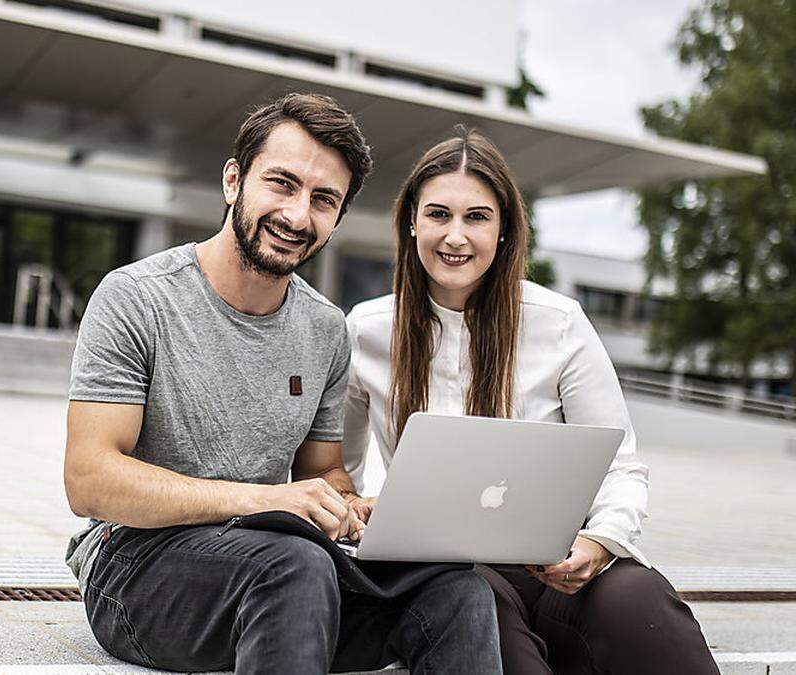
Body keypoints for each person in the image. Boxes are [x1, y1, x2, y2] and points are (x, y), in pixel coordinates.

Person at [63, 94, 501, 675]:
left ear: (337, 218)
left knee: (456, 591)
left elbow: (323, 471)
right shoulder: (137, 298)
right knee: (295, 564)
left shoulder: (324, 329)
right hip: (136, 564)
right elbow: (89, 480)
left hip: (277, 564)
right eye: (282, 184)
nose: (298, 216)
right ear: (233, 181)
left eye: (324, 200)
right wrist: (267, 500)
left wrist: (354, 508)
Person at [340, 126, 719, 674]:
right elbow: (341, 475)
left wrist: (599, 543)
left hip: (561, 559)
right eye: (439, 214)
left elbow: (621, 466)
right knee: (483, 615)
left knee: (640, 604)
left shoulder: (558, 322)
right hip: (450, 573)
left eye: (477, 217)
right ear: (411, 222)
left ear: (504, 231)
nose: (456, 236)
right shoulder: (368, 330)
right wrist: (361, 511)